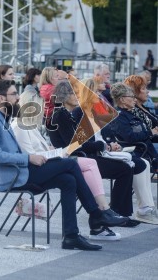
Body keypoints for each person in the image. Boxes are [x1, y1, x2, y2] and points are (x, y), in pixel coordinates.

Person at [0, 79, 126, 250]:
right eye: (14, 94)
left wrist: (40, 156)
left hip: (20, 170)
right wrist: (29, 158)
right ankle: (96, 214)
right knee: (70, 164)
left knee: (68, 180)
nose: (18, 97)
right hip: (11, 176)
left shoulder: (1, 117)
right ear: (1, 97)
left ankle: (71, 236)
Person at [12, 89, 125, 241]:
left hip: (42, 165)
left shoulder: (29, 125)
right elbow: (32, 157)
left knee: (70, 179)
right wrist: (59, 153)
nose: (43, 111)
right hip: (32, 170)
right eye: (41, 107)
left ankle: (74, 233)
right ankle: (99, 213)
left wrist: (55, 151)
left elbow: (40, 151)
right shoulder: (21, 126)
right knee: (77, 165)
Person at [48, 81, 140, 226]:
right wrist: (101, 146)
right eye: (74, 93)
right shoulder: (61, 115)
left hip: (82, 156)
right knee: (124, 169)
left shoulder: (66, 114)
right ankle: (112, 212)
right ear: (64, 96)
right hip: (76, 158)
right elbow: (73, 146)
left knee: (126, 168)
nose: (78, 96)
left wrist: (103, 145)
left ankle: (116, 213)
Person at [109, 82, 158, 224]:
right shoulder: (119, 116)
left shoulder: (132, 113)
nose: (134, 99)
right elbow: (129, 137)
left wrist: (148, 133)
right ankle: (145, 209)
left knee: (143, 164)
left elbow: (144, 133)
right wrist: (148, 133)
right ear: (122, 99)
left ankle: (147, 208)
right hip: (137, 152)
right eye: (131, 96)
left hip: (146, 152)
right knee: (142, 164)